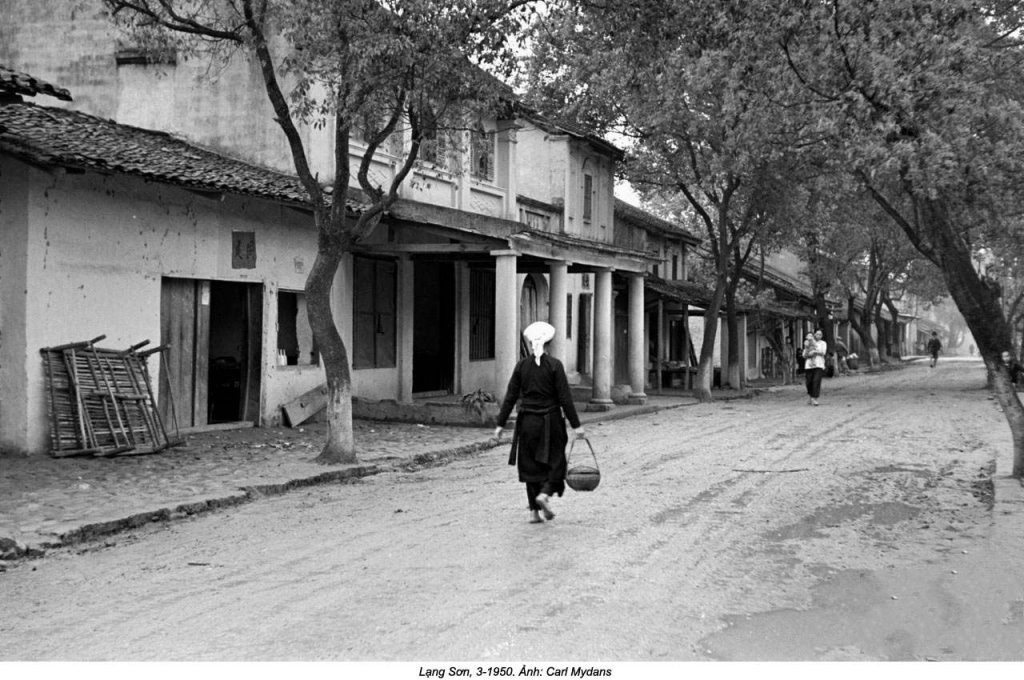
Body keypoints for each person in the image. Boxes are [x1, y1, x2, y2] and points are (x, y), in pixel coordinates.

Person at [493, 321, 585, 524]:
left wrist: (500, 424)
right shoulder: (555, 365)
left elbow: (510, 396)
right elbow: (565, 398)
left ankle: (534, 512)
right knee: (556, 462)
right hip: (550, 421)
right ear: (548, 343)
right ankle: (544, 495)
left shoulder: (522, 366)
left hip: (526, 422)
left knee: (530, 466)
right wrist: (576, 425)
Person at [802, 330, 827, 406]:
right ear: (814, 335)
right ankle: (810, 396)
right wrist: (808, 352)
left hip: (818, 364)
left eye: (820, 334)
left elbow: (823, 352)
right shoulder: (807, 343)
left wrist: (814, 352)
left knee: (816, 381)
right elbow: (804, 355)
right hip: (809, 365)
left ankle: (814, 398)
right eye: (817, 334)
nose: (818, 336)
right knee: (808, 382)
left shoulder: (823, 343)